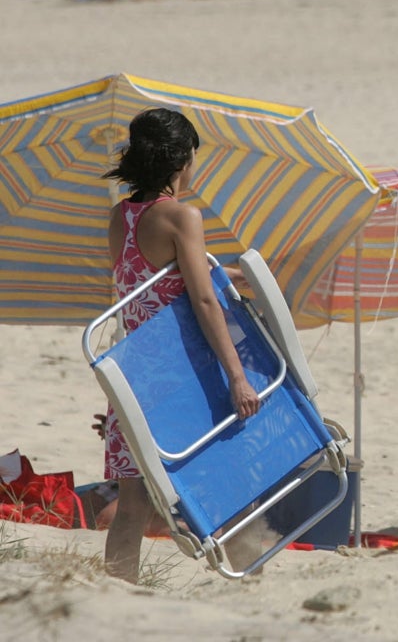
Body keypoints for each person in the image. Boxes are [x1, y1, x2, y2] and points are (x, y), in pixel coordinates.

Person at [100, 108, 260, 583]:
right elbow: (204, 302)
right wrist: (237, 377)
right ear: (179, 161)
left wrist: (232, 273)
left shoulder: (120, 218)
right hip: (181, 376)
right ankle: (249, 587)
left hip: (133, 378)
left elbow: (157, 281)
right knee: (232, 484)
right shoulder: (181, 216)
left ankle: (112, 594)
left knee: (131, 507)